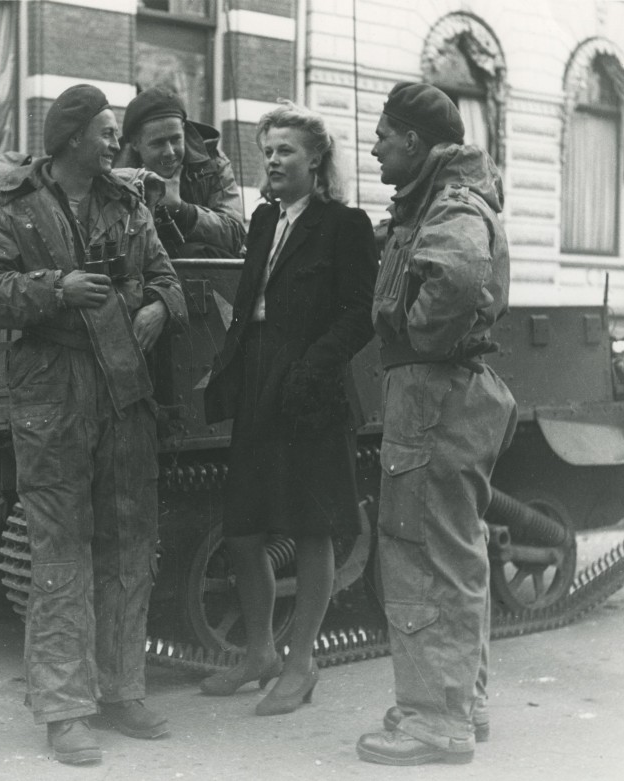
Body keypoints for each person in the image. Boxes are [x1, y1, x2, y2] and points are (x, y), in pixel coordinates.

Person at [0, 83, 188, 766]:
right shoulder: (13, 205)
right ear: (72, 140)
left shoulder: (126, 203)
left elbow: (168, 279)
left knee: (128, 545)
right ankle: (64, 710)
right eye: (105, 131)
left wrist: (158, 309)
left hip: (123, 393)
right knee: (60, 552)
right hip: (51, 397)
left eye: (115, 131)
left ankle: (123, 688)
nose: (115, 140)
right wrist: (54, 289)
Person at [356, 82, 518, 766]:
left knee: (420, 549)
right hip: (450, 390)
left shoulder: (450, 202)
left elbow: (456, 277)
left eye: (383, 136)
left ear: (415, 143)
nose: (374, 147)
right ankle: (460, 700)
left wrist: (418, 337)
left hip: (433, 391)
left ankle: (433, 720)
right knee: (456, 550)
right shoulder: (445, 195)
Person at [201, 101, 378, 715]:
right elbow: (251, 301)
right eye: (268, 150)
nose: (273, 161)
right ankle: (259, 653)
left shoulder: (345, 224)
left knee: (310, 526)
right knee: (244, 528)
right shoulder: (262, 221)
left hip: (309, 389)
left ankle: (301, 664)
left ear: (316, 160)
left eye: (286, 151)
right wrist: (227, 368)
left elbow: (361, 314)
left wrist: (310, 368)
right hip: (256, 379)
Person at [115, 86, 246, 258]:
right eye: (158, 143)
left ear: (183, 129)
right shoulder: (114, 175)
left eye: (176, 139)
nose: (169, 152)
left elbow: (236, 235)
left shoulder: (213, 164)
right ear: (135, 143)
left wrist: (182, 210)